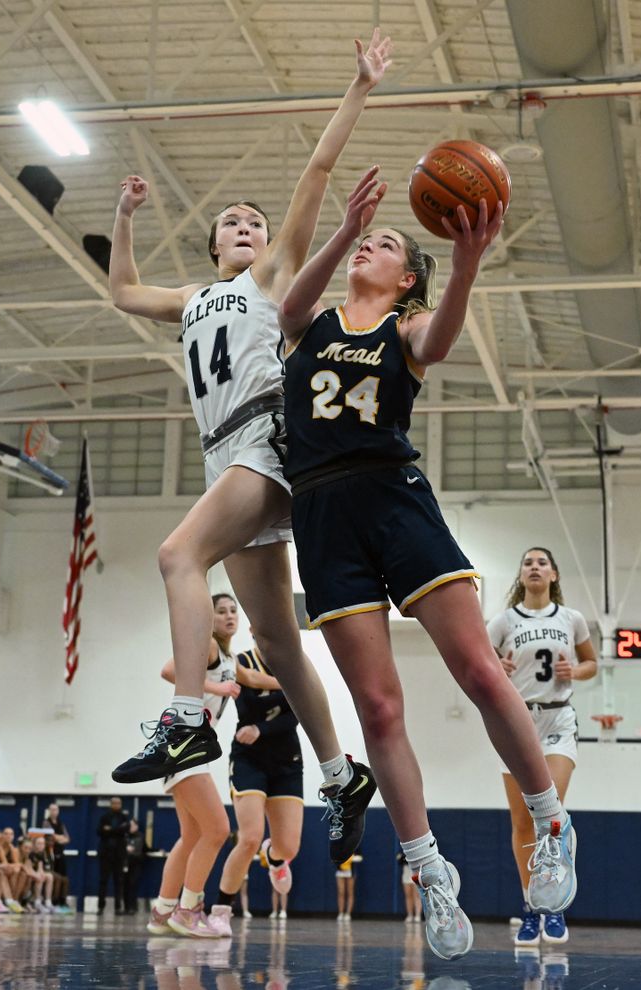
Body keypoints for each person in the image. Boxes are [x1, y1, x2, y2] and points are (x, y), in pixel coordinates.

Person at [107, 36, 392, 875]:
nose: (243, 222)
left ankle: (185, 714)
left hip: (267, 440)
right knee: (277, 638)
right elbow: (122, 290)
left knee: (175, 554)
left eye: (254, 220)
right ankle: (341, 776)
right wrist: (124, 218)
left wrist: (358, 85)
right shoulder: (195, 297)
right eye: (230, 219)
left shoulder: (269, 278)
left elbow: (313, 172)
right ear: (211, 244)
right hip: (224, 452)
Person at [277, 181, 578, 961]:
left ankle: (551, 821)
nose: (372, 248)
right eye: (366, 245)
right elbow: (285, 308)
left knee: (481, 670)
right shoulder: (310, 323)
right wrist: (345, 230)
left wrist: (468, 262)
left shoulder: (405, 329)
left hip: (393, 499)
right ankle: (428, 869)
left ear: (408, 277)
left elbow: (440, 342)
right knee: (377, 710)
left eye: (385, 247)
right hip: (320, 518)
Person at [486, 546, 597, 946]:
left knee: (548, 815)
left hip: (558, 718)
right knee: (520, 822)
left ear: (554, 575)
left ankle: (555, 904)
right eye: (528, 562)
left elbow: (591, 663)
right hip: (517, 722)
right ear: (520, 576)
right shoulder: (503, 621)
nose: (534, 567)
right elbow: (478, 660)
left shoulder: (572, 619)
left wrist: (577, 670)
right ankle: (532, 904)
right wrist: (494, 664)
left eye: (542, 563)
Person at [147, 593, 268, 938]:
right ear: (209, 618)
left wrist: (294, 685)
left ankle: (163, 910)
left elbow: (252, 679)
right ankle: (188, 911)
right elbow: (169, 669)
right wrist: (218, 686)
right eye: (221, 611)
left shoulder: (228, 656)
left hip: (185, 748)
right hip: (183, 744)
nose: (229, 615)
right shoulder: (209, 646)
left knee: (191, 837)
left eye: (233, 610)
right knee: (217, 830)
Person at [214, 643, 306, 919]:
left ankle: (275, 859)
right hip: (249, 758)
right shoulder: (241, 662)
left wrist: (261, 728)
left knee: (289, 847)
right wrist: (282, 690)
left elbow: (297, 713)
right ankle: (220, 911)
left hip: (286, 759)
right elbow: (246, 703)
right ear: (254, 631)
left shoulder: (293, 661)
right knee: (250, 837)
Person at [97, 797, 131, 914]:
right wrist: (117, 829)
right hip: (106, 854)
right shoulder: (104, 817)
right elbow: (99, 831)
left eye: (118, 803)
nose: (116, 805)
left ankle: (118, 907)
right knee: (103, 881)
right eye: (114, 803)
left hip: (119, 855)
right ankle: (100, 906)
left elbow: (125, 830)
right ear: (111, 804)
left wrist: (110, 830)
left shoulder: (124, 817)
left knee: (118, 881)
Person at [43, 803, 72, 907]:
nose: (53, 812)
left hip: (61, 852)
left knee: (65, 878)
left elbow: (67, 838)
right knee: (56, 877)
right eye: (52, 810)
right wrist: (60, 838)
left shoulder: (61, 823)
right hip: (51, 853)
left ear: (58, 811)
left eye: (55, 810)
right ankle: (53, 899)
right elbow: (52, 836)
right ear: (49, 811)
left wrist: (60, 839)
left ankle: (62, 899)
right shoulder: (46, 822)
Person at [124, 819, 147, 916]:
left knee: (133, 884)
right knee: (125, 885)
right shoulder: (125, 836)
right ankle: (126, 907)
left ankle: (133, 907)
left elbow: (145, 848)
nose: (130, 827)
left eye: (132, 825)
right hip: (126, 864)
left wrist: (158, 850)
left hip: (136, 863)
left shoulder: (140, 836)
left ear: (136, 826)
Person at [334, 851, 360, 922]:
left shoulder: (355, 845)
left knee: (350, 892)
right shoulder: (338, 845)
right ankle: (340, 913)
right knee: (341, 892)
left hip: (350, 871)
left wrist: (352, 858)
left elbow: (359, 857)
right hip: (340, 871)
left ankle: (348, 914)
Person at [399, 847, 421, 924]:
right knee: (408, 895)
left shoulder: (419, 849)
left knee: (417, 895)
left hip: (416, 873)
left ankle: (417, 915)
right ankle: (410, 915)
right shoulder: (404, 849)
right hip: (406, 873)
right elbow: (400, 860)